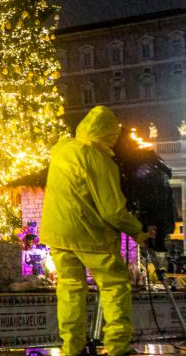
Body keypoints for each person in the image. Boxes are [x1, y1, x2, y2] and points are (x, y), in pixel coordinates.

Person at [41, 106, 155, 356]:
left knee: (70, 290)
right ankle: (117, 346)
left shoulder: (62, 150)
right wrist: (138, 230)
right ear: (107, 133)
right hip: (89, 235)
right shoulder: (98, 160)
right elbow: (113, 211)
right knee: (115, 286)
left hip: (58, 233)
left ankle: (72, 347)